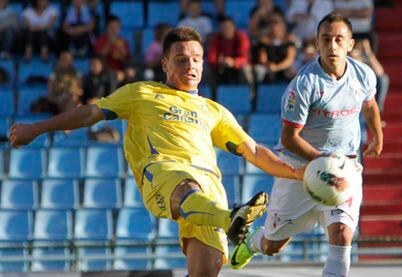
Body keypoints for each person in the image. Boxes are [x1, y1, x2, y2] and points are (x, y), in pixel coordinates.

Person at [9, 27, 304, 277]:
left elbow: (252, 150)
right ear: (164, 64)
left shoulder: (214, 111)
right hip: (164, 172)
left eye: (196, 59)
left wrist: (296, 173)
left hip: (211, 188)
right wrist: (36, 129)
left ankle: (230, 218)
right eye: (181, 59)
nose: (191, 65)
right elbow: (89, 114)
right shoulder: (140, 93)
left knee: (205, 272)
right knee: (186, 185)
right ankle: (231, 221)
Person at [230, 13, 383, 277]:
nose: (332, 45)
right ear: (317, 42)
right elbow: (290, 138)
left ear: (350, 43)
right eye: (326, 39)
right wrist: (322, 164)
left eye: (339, 39)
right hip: (299, 170)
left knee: (342, 234)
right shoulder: (303, 84)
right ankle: (252, 242)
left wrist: (377, 136)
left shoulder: (363, 75)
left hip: (343, 168)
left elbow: (369, 106)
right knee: (273, 245)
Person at [207, 16, 253, 88]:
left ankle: (248, 95)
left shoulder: (241, 37)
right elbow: (211, 58)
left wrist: (233, 62)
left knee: (246, 70)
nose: (226, 30)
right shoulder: (216, 38)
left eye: (228, 27)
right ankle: (211, 96)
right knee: (208, 71)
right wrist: (219, 61)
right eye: (223, 28)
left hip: (237, 68)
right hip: (221, 68)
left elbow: (245, 58)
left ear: (233, 27)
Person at [349, 38, 389, 112]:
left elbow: (380, 74)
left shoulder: (365, 63)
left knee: (383, 79)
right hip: (352, 103)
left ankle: (377, 111)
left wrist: (368, 52)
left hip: (365, 101)